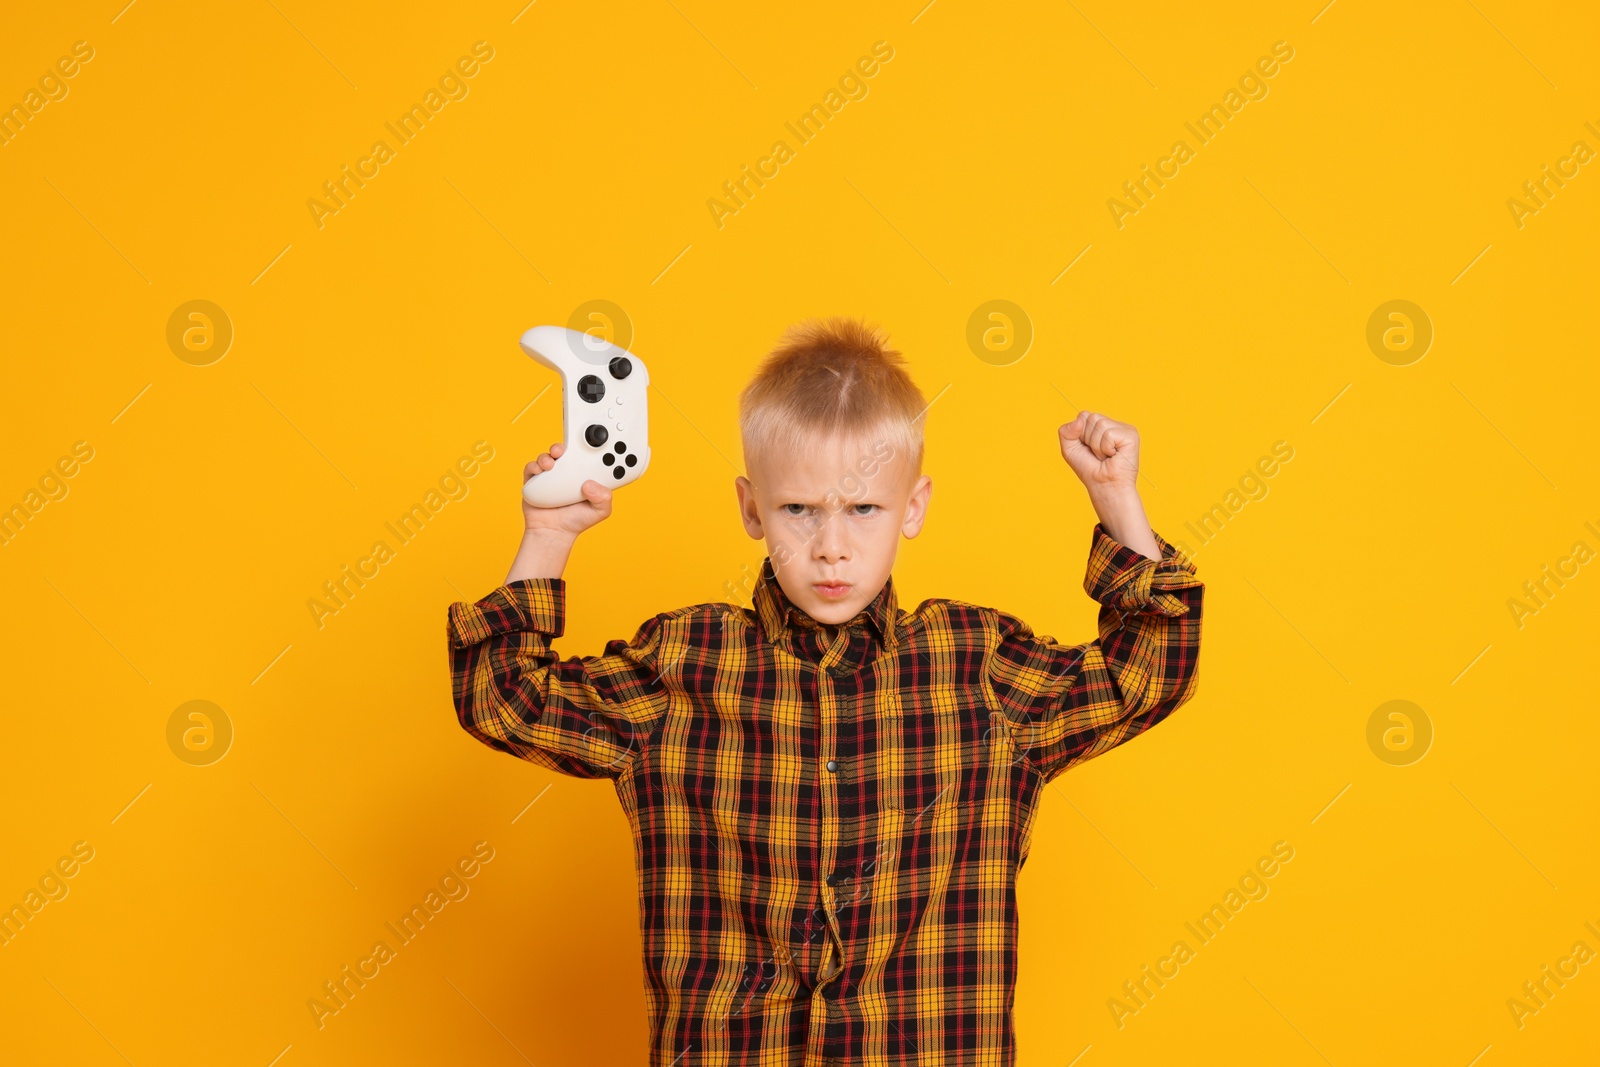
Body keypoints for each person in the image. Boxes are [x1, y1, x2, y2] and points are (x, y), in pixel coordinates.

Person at [446, 316, 1204, 1066]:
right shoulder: (682, 666)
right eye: (798, 510)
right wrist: (550, 534)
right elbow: (503, 698)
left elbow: (1148, 672)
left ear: (912, 507)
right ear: (752, 508)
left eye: (863, 509)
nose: (830, 545)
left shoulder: (978, 668)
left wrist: (1117, 501)